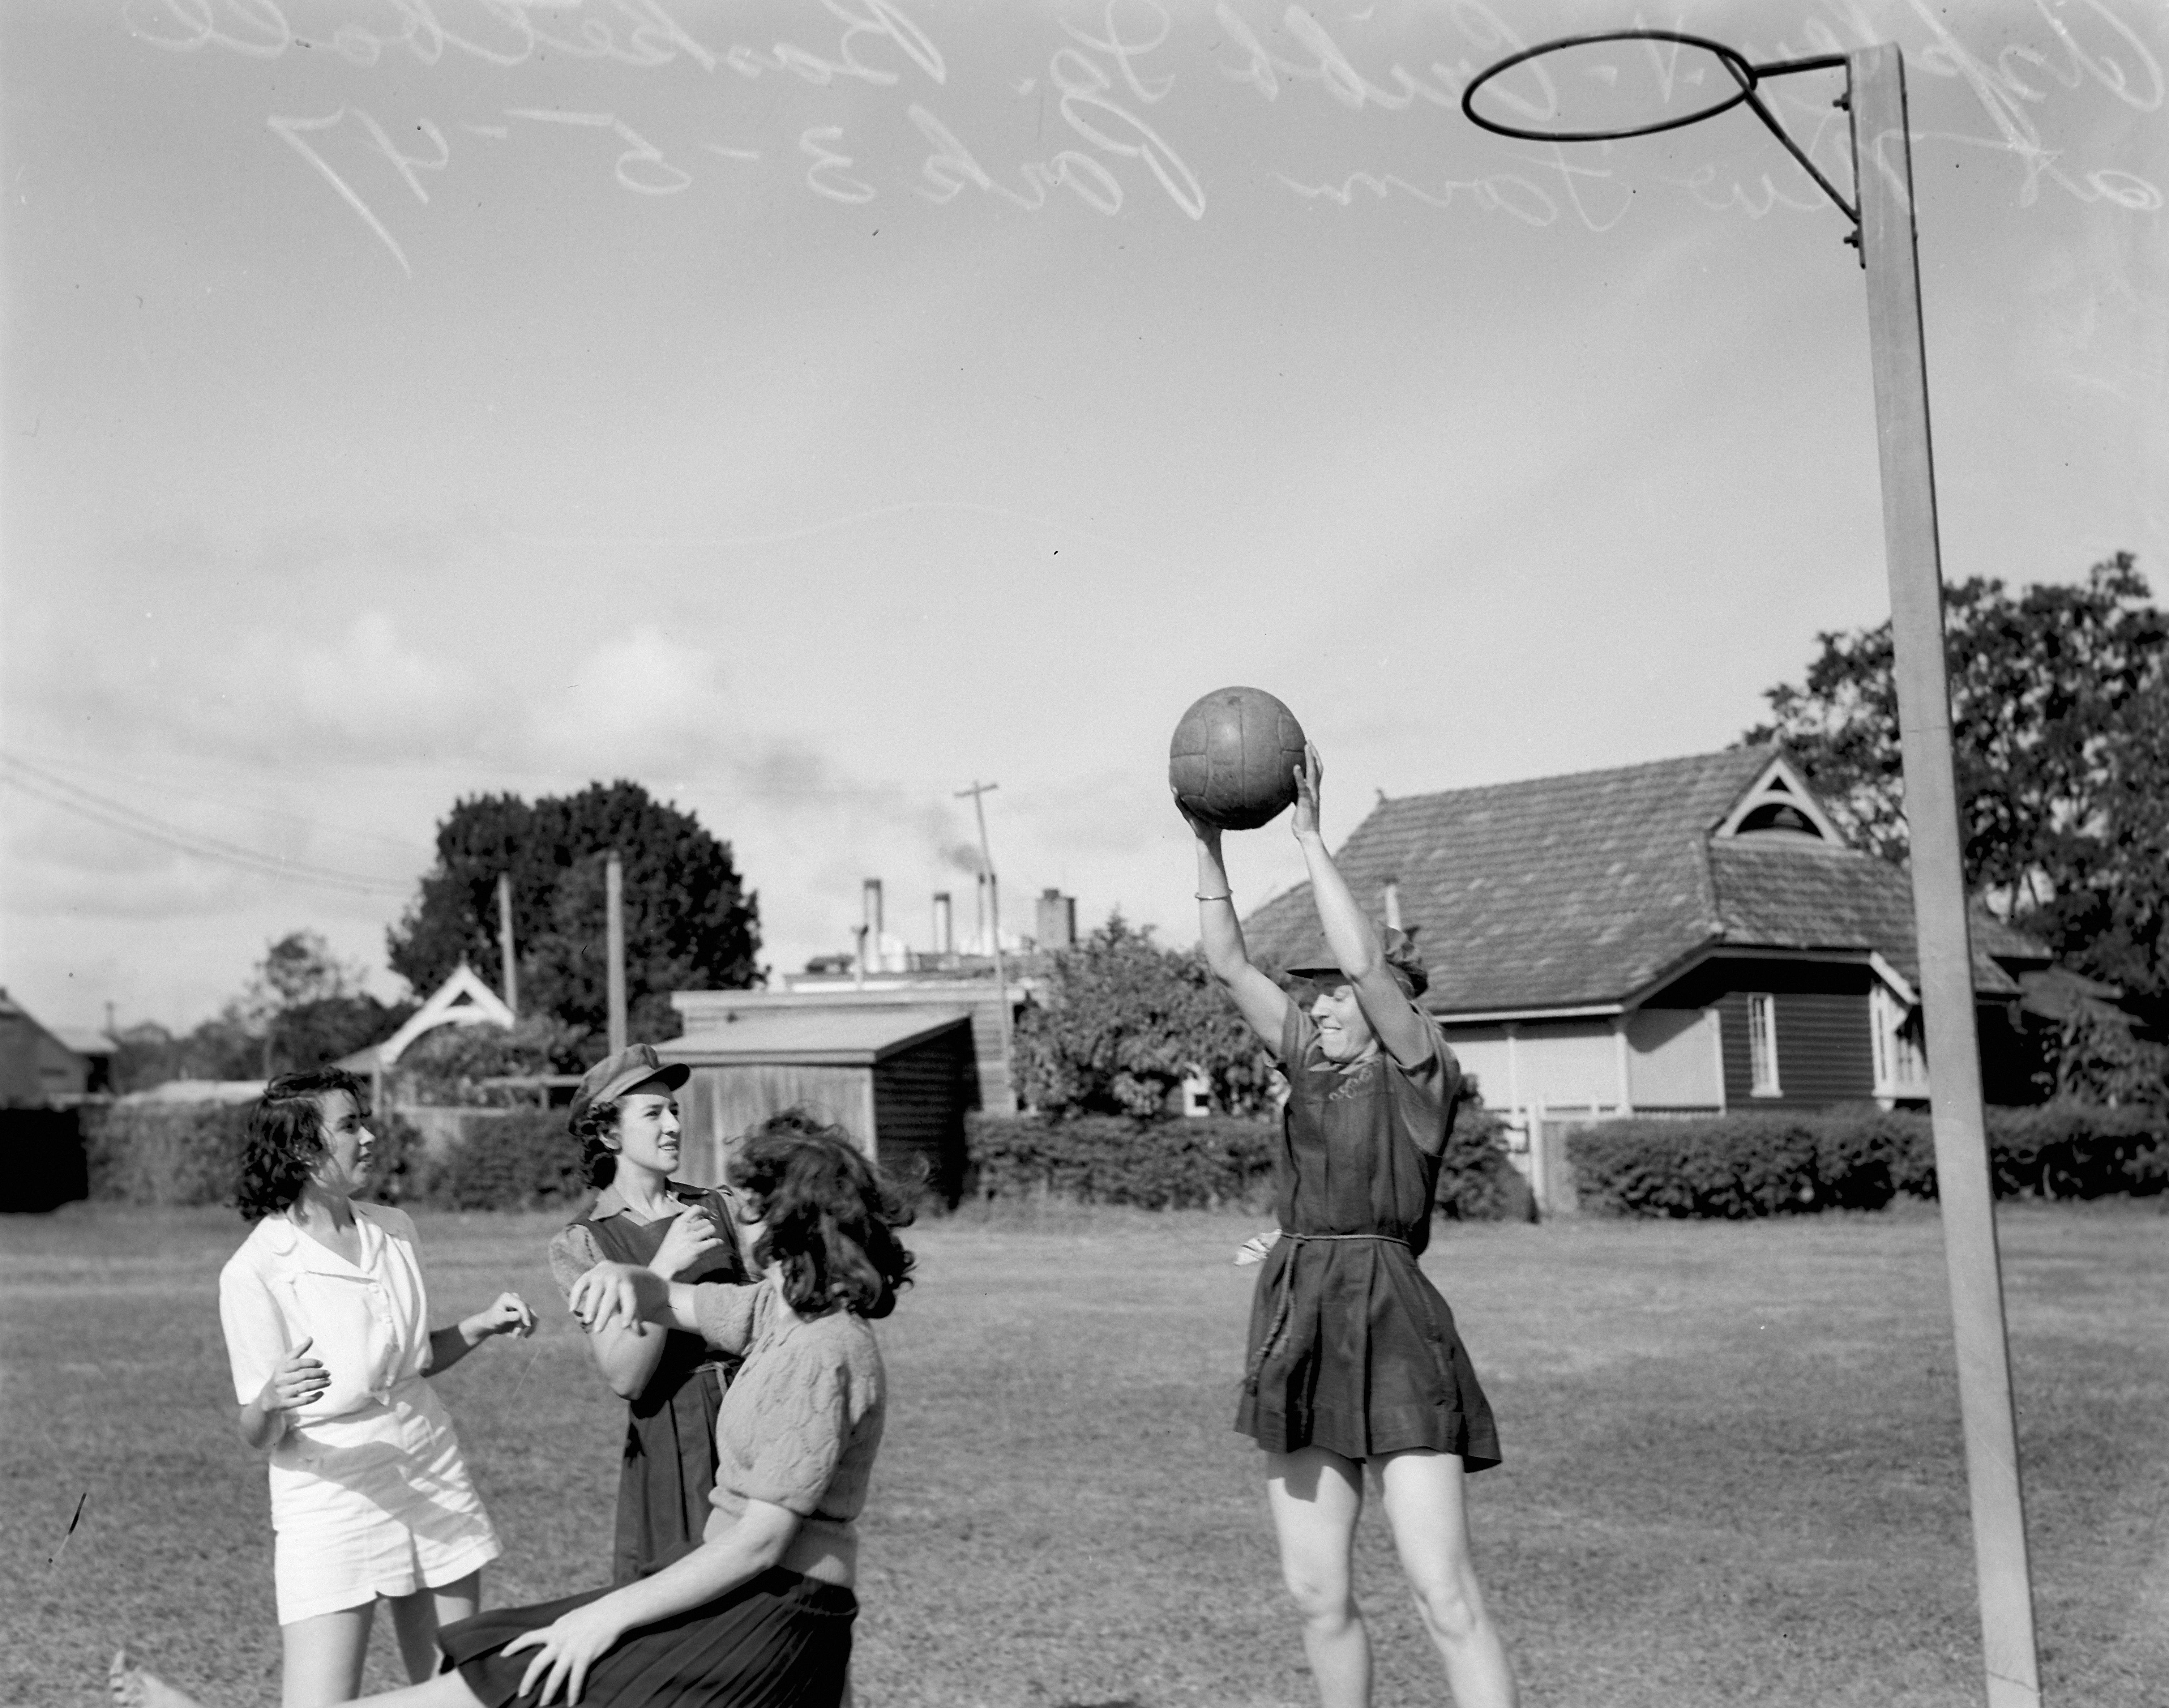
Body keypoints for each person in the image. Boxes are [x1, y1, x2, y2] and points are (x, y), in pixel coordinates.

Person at [120, 1112, 913, 1708]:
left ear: (794, 1226)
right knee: (506, 1658)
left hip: (767, 1618)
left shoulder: (823, 1349)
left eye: (755, 1207)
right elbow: (680, 1299)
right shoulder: (784, 1311)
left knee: (536, 1664)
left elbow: (758, 1544)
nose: (741, 1220)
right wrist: (626, 1283)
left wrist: (606, 1618)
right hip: (739, 1604)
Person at [1181, 745, 1518, 1708]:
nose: (1319, 1001)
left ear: (1387, 1009)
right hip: (1300, 1313)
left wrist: (1311, 838)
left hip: (1396, 1324)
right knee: (1316, 1588)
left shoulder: (1421, 1072)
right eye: (1315, 990)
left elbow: (1369, 965)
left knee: (1442, 1590)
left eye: (1334, 991)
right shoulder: (1307, 1061)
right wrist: (1210, 845)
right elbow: (1227, 958)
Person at [215, 1068, 537, 1708]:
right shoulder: (255, 1270)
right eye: (350, 1125)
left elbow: (411, 1362)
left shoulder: (394, 1228)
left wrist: (478, 1326)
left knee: (454, 1691)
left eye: (364, 1120)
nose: (369, 1136)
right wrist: (270, 1401)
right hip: (329, 1495)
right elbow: (257, 1432)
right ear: (303, 1150)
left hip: (428, 1465)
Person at [546, 1044, 753, 1584]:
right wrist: (665, 1269)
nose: (672, 1126)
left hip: (749, 1424)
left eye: (675, 1110)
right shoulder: (586, 1241)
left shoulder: (718, 1207)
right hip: (673, 1438)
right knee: (686, 1600)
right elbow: (626, 1376)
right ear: (610, 1135)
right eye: (653, 1113)